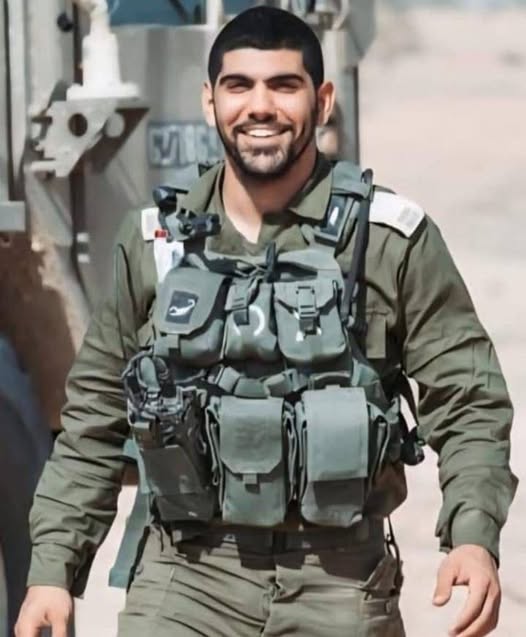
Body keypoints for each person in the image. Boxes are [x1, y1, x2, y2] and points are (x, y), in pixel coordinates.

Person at [15, 7, 516, 637]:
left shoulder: (388, 240)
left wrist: (473, 536)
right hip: (187, 576)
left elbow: (469, 400)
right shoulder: (155, 244)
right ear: (210, 101)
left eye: (283, 85)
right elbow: (94, 416)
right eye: (239, 86)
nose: (260, 107)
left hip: (338, 579)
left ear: (322, 100)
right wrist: (52, 572)